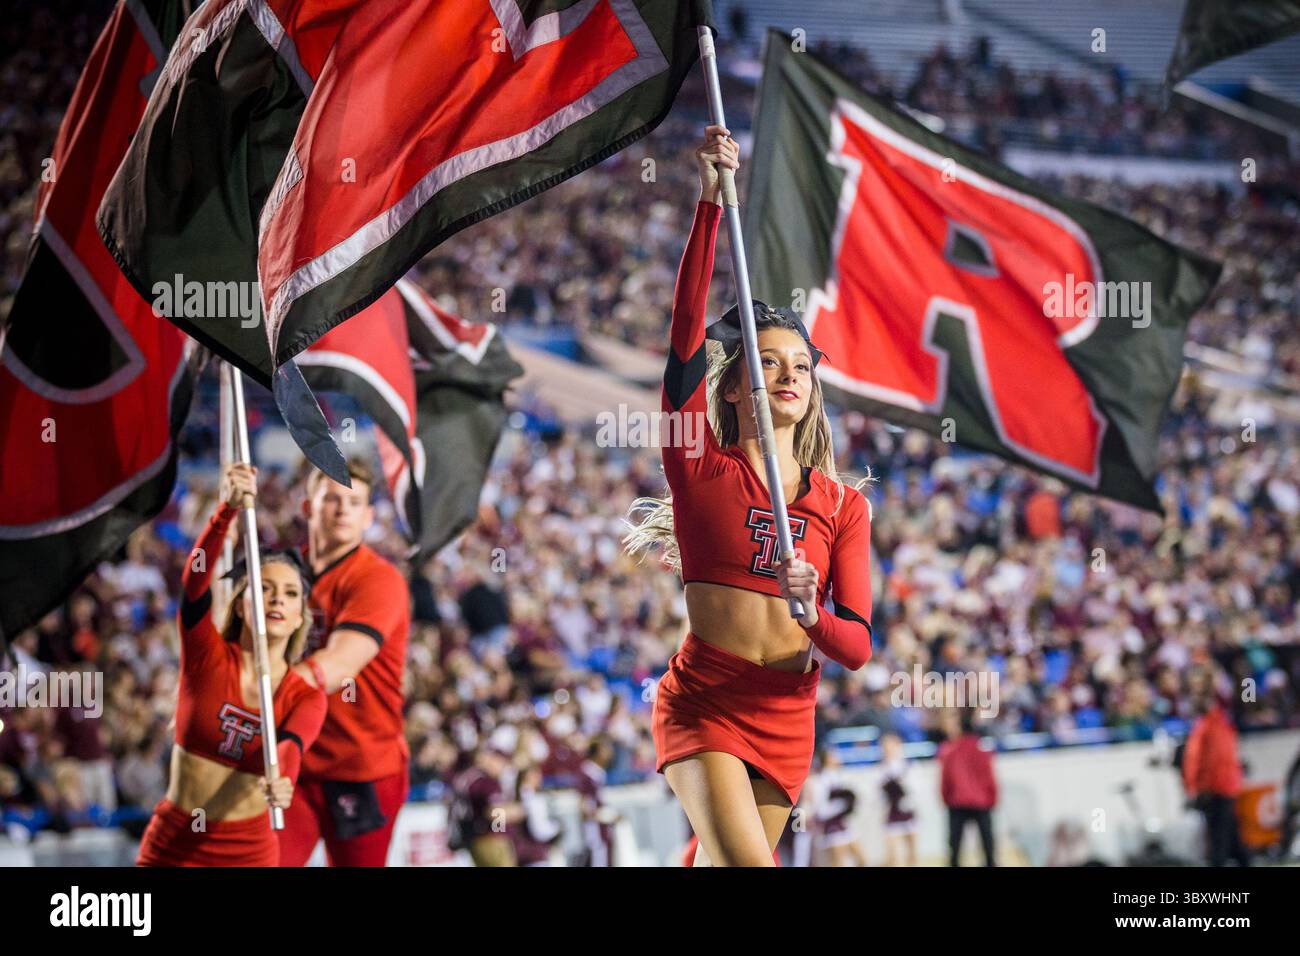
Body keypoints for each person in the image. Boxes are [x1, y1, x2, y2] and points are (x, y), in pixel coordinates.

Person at [624, 125, 874, 867]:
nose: (789, 376)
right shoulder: (699, 467)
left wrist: (814, 615)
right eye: (768, 364)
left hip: (789, 712)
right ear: (734, 386)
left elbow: (856, 646)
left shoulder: (845, 504)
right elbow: (682, 344)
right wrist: (708, 203)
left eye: (800, 365)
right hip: (708, 700)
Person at [137, 462, 326, 866]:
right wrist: (225, 512)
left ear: (299, 617)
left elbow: (290, 747)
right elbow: (194, 583)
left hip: (247, 853)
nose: (276, 599)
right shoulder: (205, 655)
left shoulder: (305, 696)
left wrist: (284, 781)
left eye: (290, 594)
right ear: (241, 603)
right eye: (264, 588)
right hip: (173, 845)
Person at [277, 458, 412, 867]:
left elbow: (338, 665)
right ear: (307, 506)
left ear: (369, 516)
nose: (342, 510)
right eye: (332, 498)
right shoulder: (277, 572)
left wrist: (259, 693)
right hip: (291, 762)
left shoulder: (378, 579)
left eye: (354, 503)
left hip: (361, 767)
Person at [1183, 682, 1249, 867]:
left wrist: (1195, 788)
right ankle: (1245, 861)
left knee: (1219, 838)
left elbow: (1199, 761)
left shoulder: (1209, 726)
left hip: (1216, 788)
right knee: (1230, 834)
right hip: (1224, 786)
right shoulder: (1219, 724)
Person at [938, 708, 998, 867]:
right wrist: (992, 798)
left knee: (955, 845)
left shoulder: (951, 751)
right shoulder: (982, 749)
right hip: (981, 802)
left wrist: (946, 798)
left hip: (957, 803)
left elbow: (946, 779)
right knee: (987, 843)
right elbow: (989, 777)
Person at [879, 732, 918, 866]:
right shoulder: (883, 768)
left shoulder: (906, 764)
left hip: (907, 810)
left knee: (912, 850)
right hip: (892, 812)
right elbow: (880, 793)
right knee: (892, 854)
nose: (887, 748)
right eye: (885, 746)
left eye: (890, 745)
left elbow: (914, 787)